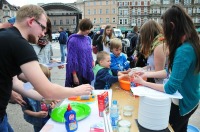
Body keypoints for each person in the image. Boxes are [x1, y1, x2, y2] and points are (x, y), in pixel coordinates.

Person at [0, 4, 93, 131]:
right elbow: (47, 89)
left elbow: (16, 83)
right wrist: (77, 91)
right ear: (31, 22)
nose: (44, 33)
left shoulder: (6, 37)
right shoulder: (19, 43)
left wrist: (45, 98)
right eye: (43, 28)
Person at [132, 4, 200, 132]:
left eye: (165, 27)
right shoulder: (190, 44)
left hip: (184, 103)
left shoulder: (184, 50)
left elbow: (170, 88)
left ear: (172, 26)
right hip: (191, 99)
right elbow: (169, 72)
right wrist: (145, 74)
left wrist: (143, 83)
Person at [21, 64, 58, 132]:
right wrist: (36, 114)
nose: (45, 82)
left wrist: (52, 104)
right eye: (43, 80)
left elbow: (47, 101)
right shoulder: (26, 92)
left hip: (49, 116)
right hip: (38, 121)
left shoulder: (45, 88)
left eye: (47, 79)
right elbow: (25, 110)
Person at [65, 18, 94, 87]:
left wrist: (92, 62)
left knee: (87, 93)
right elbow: (71, 60)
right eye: (88, 29)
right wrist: (74, 75)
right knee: (78, 96)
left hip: (87, 70)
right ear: (83, 27)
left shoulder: (88, 39)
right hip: (78, 73)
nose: (89, 31)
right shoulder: (73, 40)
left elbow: (89, 54)